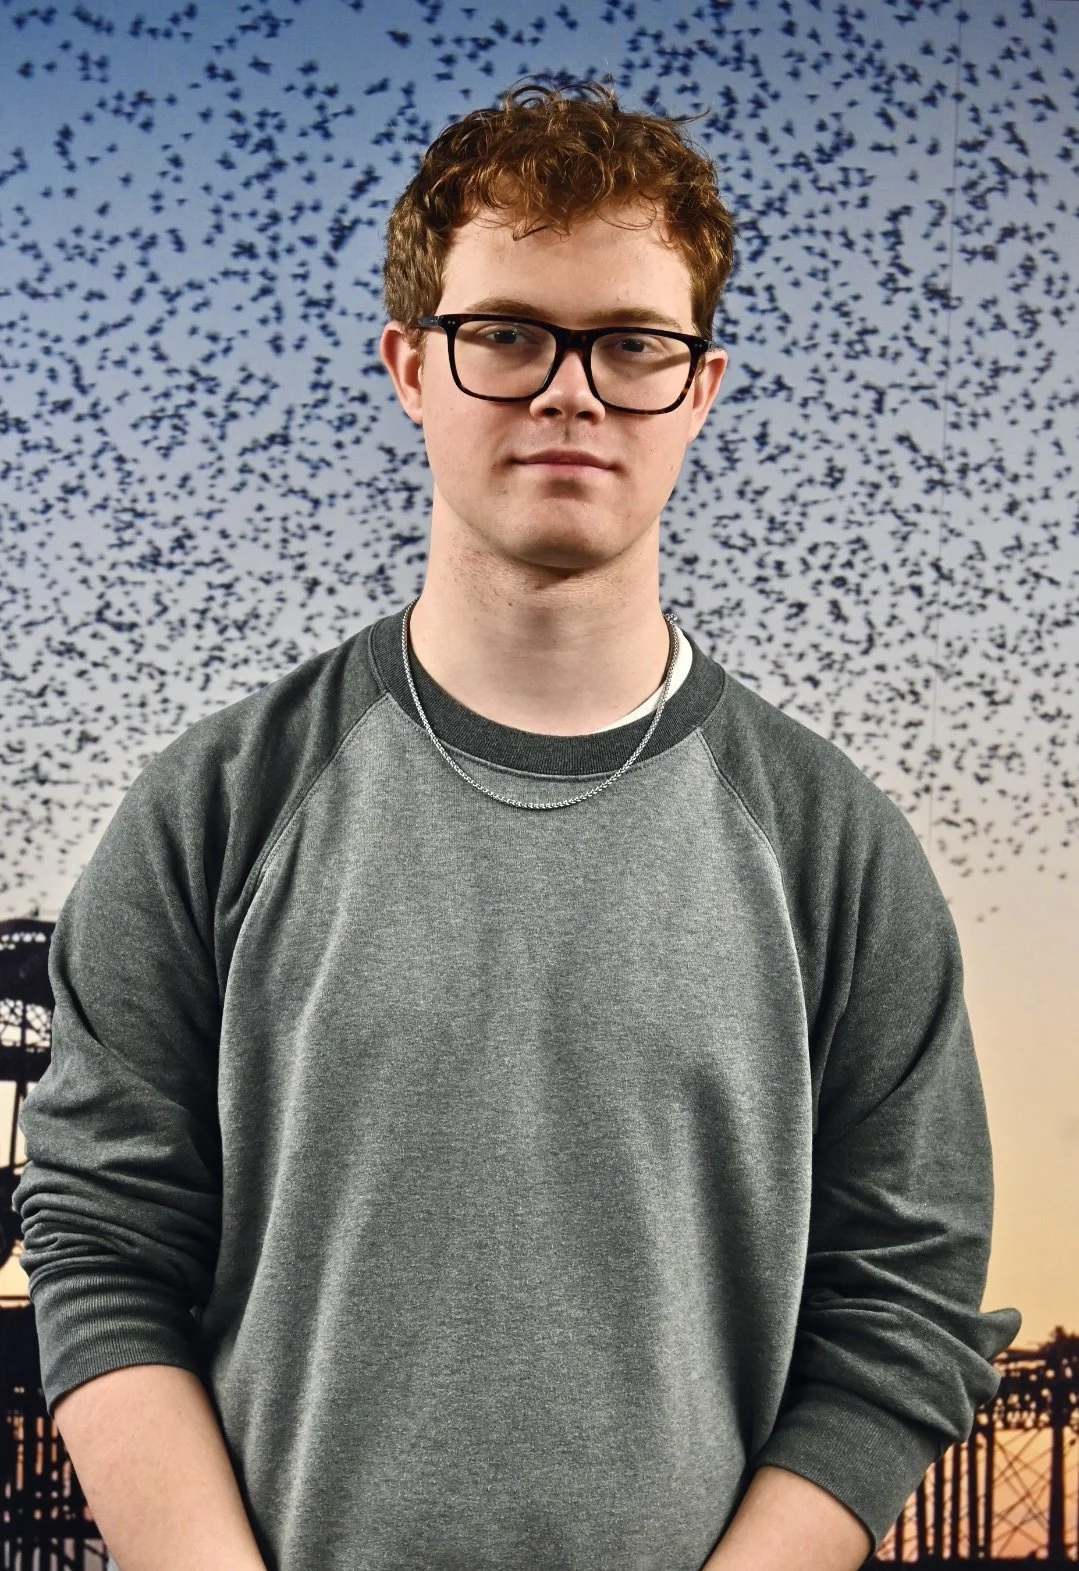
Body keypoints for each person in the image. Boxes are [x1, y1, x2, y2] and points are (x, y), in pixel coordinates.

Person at [13, 77, 1021, 1571]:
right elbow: (102, 1240)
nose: (570, 392)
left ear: (701, 387)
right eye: (506, 334)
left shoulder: (836, 852)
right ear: (409, 367)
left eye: (632, 343)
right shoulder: (214, 807)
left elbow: (903, 1304)